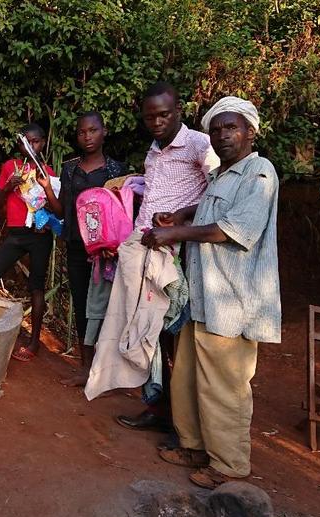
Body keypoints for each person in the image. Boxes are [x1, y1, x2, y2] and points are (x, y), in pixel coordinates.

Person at [141, 96, 280, 489]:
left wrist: (173, 233)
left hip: (232, 302)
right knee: (187, 377)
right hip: (202, 299)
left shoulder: (259, 172)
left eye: (230, 127)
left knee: (225, 384)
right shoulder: (223, 176)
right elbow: (209, 210)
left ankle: (230, 465)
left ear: (250, 132)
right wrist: (182, 215)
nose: (222, 135)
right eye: (216, 129)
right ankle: (194, 446)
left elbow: (233, 229)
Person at [116, 82, 219, 435]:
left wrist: (180, 217)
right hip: (146, 246)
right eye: (150, 116)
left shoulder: (199, 144)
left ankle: (183, 421)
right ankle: (159, 408)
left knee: (174, 329)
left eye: (164, 114)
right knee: (151, 330)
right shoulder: (154, 149)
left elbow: (219, 192)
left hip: (177, 251)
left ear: (178, 112)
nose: (157, 121)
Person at [0, 124, 61, 361]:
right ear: (19, 144)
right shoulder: (10, 167)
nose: (31, 146)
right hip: (15, 234)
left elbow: (57, 209)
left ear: (42, 143)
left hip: (39, 236)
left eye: (35, 142)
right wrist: (9, 186)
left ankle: (34, 342)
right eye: (26, 142)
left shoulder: (48, 172)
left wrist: (48, 215)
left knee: (36, 286)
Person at [58, 112, 129, 385]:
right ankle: (86, 367)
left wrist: (117, 247)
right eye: (81, 132)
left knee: (108, 308)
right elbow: (64, 208)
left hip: (107, 254)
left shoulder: (117, 171)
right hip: (77, 248)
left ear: (104, 131)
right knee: (81, 306)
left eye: (93, 130)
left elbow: (123, 214)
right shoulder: (70, 169)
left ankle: (107, 369)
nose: (87, 137)